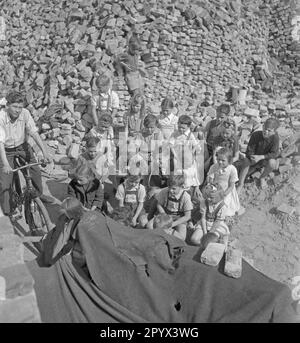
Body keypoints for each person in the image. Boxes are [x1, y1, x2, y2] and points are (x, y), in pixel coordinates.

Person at [0, 91, 52, 216]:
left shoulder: (25, 113)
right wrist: (6, 164)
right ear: (7, 105)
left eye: (20, 107)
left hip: (22, 146)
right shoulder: (1, 117)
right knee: (5, 182)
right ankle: (8, 210)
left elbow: (34, 133)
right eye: (14, 107)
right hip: (6, 150)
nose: (18, 110)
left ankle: (38, 196)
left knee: (35, 171)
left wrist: (46, 153)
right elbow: (0, 143)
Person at [41, 197, 88, 272]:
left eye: (66, 213)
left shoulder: (77, 224)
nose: (65, 214)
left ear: (72, 213)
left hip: (66, 245)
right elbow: (58, 228)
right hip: (60, 239)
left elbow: (70, 242)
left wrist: (60, 254)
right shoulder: (65, 217)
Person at [236, 117, 280, 192]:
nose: (266, 131)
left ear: (274, 132)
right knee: (246, 161)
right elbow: (249, 151)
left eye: (269, 131)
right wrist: (253, 158)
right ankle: (240, 184)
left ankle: (262, 177)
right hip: (253, 159)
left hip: (264, 160)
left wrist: (261, 157)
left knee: (272, 163)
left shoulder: (275, 138)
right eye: (265, 128)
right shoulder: (255, 135)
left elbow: (274, 154)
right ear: (262, 127)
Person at [153, 174, 193, 241]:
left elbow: (187, 216)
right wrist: (164, 216)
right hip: (166, 215)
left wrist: (171, 225)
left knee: (181, 238)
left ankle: (169, 232)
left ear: (181, 187)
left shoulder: (185, 197)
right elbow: (159, 204)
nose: (171, 190)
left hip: (179, 218)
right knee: (150, 226)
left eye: (174, 188)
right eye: (169, 187)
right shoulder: (165, 191)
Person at [190, 183, 230, 248]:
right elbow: (203, 218)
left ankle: (218, 246)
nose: (208, 199)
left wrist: (210, 234)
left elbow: (217, 222)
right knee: (194, 239)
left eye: (211, 197)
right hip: (205, 223)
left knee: (213, 240)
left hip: (216, 226)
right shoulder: (204, 202)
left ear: (218, 197)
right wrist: (205, 233)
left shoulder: (222, 206)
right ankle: (204, 246)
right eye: (207, 196)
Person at [169, 114, 202, 189]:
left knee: (188, 175)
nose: (181, 129)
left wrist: (191, 154)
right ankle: (178, 187)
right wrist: (175, 154)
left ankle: (188, 188)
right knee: (178, 174)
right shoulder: (175, 134)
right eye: (179, 127)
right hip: (178, 158)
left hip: (187, 159)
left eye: (183, 128)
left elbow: (197, 146)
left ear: (189, 127)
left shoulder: (190, 135)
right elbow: (171, 144)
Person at [207, 147, 240, 217]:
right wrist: (214, 176)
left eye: (223, 160)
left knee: (223, 207)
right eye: (218, 159)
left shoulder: (232, 169)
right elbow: (209, 180)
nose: (220, 162)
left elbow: (231, 186)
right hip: (215, 189)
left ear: (229, 160)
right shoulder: (214, 167)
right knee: (209, 204)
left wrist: (223, 195)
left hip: (226, 191)